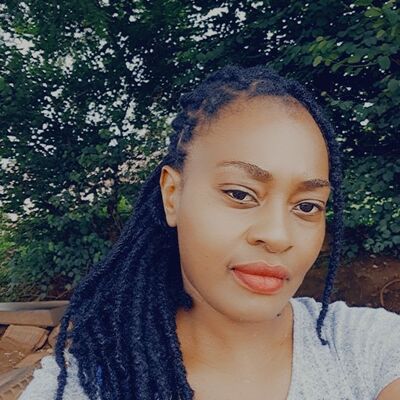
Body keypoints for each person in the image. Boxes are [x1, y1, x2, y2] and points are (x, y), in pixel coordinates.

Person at [19, 65, 400, 400]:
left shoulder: (369, 347)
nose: (278, 236)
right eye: (240, 194)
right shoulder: (85, 384)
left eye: (307, 206)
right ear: (172, 195)